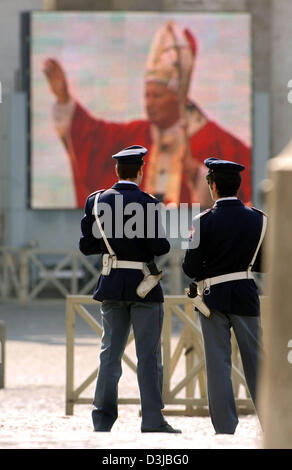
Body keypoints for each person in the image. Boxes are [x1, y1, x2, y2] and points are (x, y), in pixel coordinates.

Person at [43, 21, 251, 208]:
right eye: (146, 96)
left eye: (157, 96)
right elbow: (91, 137)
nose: (149, 103)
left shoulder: (215, 141)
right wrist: (64, 100)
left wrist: (198, 176)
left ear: (178, 98)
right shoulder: (136, 135)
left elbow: (244, 192)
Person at [79, 144, 181, 433]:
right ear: (140, 171)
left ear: (116, 170)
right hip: (144, 287)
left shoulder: (96, 201)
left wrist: (111, 244)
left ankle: (103, 419)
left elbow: (86, 245)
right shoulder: (148, 203)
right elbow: (160, 247)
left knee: (109, 354)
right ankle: (152, 419)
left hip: (111, 284)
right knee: (148, 356)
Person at [182, 157, 267, 435]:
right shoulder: (258, 219)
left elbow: (190, 268)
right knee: (256, 362)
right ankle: (272, 421)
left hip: (212, 296)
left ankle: (225, 428)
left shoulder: (201, 221)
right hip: (244, 294)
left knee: (218, 365)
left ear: (213, 185)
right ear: (238, 186)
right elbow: (264, 264)